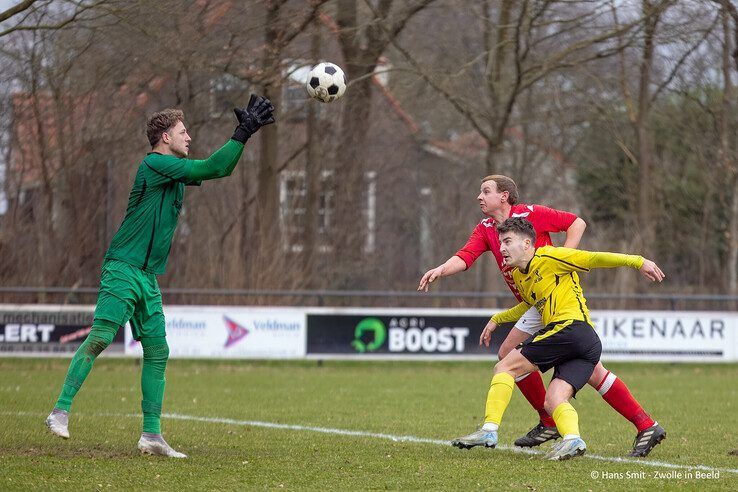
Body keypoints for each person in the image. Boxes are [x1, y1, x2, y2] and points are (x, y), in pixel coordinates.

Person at [45, 95, 275, 458]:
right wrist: (242, 132)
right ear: (165, 138)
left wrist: (244, 136)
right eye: (183, 132)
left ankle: (151, 435)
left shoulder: (174, 175)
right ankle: (59, 410)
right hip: (122, 266)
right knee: (103, 335)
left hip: (147, 276)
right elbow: (211, 168)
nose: (189, 137)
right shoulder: (154, 163)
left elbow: (220, 169)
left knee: (157, 351)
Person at [418, 175, 665, 457]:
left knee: (509, 359)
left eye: (485, 191)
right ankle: (639, 424)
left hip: (555, 295)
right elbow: (465, 256)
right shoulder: (486, 228)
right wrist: (440, 270)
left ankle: (528, 424)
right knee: (587, 370)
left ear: (504, 196)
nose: (479, 197)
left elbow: (577, 223)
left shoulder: (532, 218)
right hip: (534, 299)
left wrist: (564, 258)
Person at [461, 217, 665, 460]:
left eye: (507, 241)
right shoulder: (519, 275)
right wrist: (499, 318)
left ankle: (489, 430)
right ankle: (573, 440)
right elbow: (530, 304)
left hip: (570, 328)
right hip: (584, 342)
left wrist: (638, 261)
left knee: (505, 365)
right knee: (554, 400)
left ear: (527, 243)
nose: (501, 248)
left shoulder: (549, 257)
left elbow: (593, 258)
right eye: (500, 242)